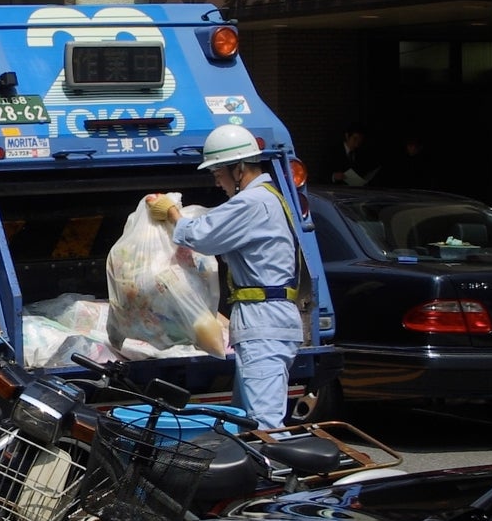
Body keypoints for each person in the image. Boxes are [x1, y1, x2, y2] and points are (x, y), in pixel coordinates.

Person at [144, 124, 302, 429]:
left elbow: (203, 236)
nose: (218, 184)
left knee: (264, 424)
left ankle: (279, 476)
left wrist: (174, 213)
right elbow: (218, 224)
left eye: (219, 175)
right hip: (265, 319)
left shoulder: (252, 202)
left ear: (239, 169)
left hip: (264, 322)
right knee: (244, 419)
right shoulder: (267, 197)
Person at [329, 122, 380, 187]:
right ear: (347, 136)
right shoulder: (333, 152)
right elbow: (323, 174)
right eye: (355, 139)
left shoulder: (361, 153)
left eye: (360, 140)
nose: (357, 144)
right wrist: (334, 176)